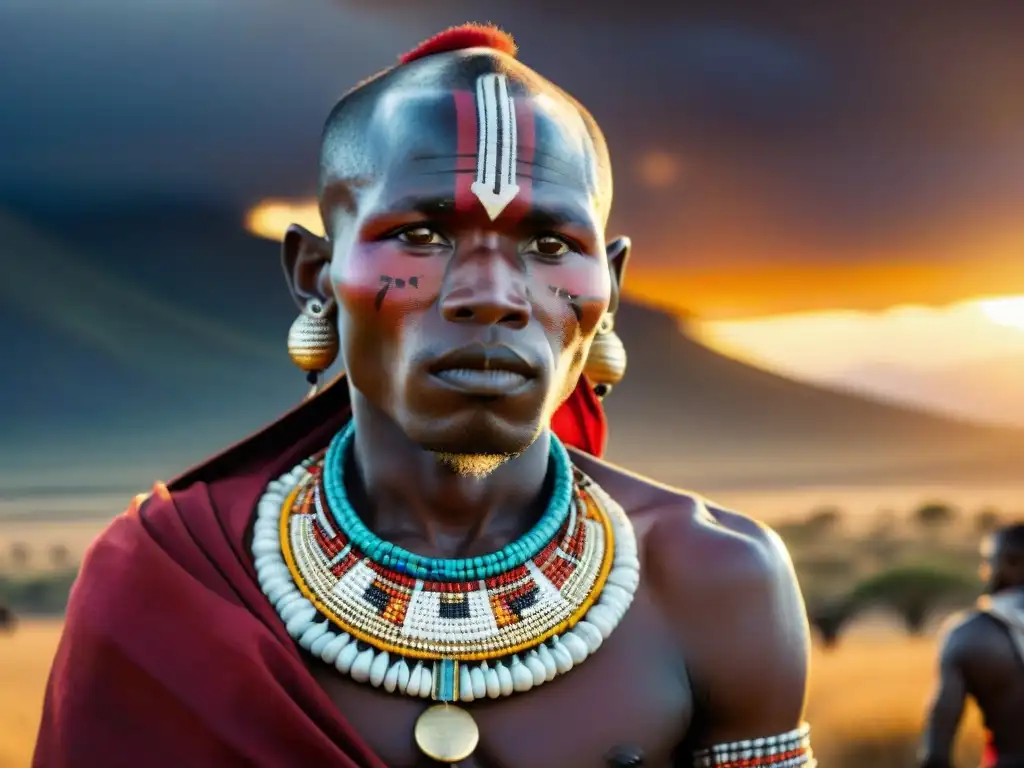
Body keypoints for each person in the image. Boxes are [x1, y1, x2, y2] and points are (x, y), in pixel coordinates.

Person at [34, 24, 813, 768]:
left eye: (550, 246)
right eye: (422, 236)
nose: (492, 296)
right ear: (316, 274)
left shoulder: (719, 579)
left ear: (608, 285)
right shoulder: (169, 585)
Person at [920, 522, 1024, 768]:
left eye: (989, 561)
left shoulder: (971, 636)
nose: (984, 570)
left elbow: (935, 753)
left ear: (1011, 563)